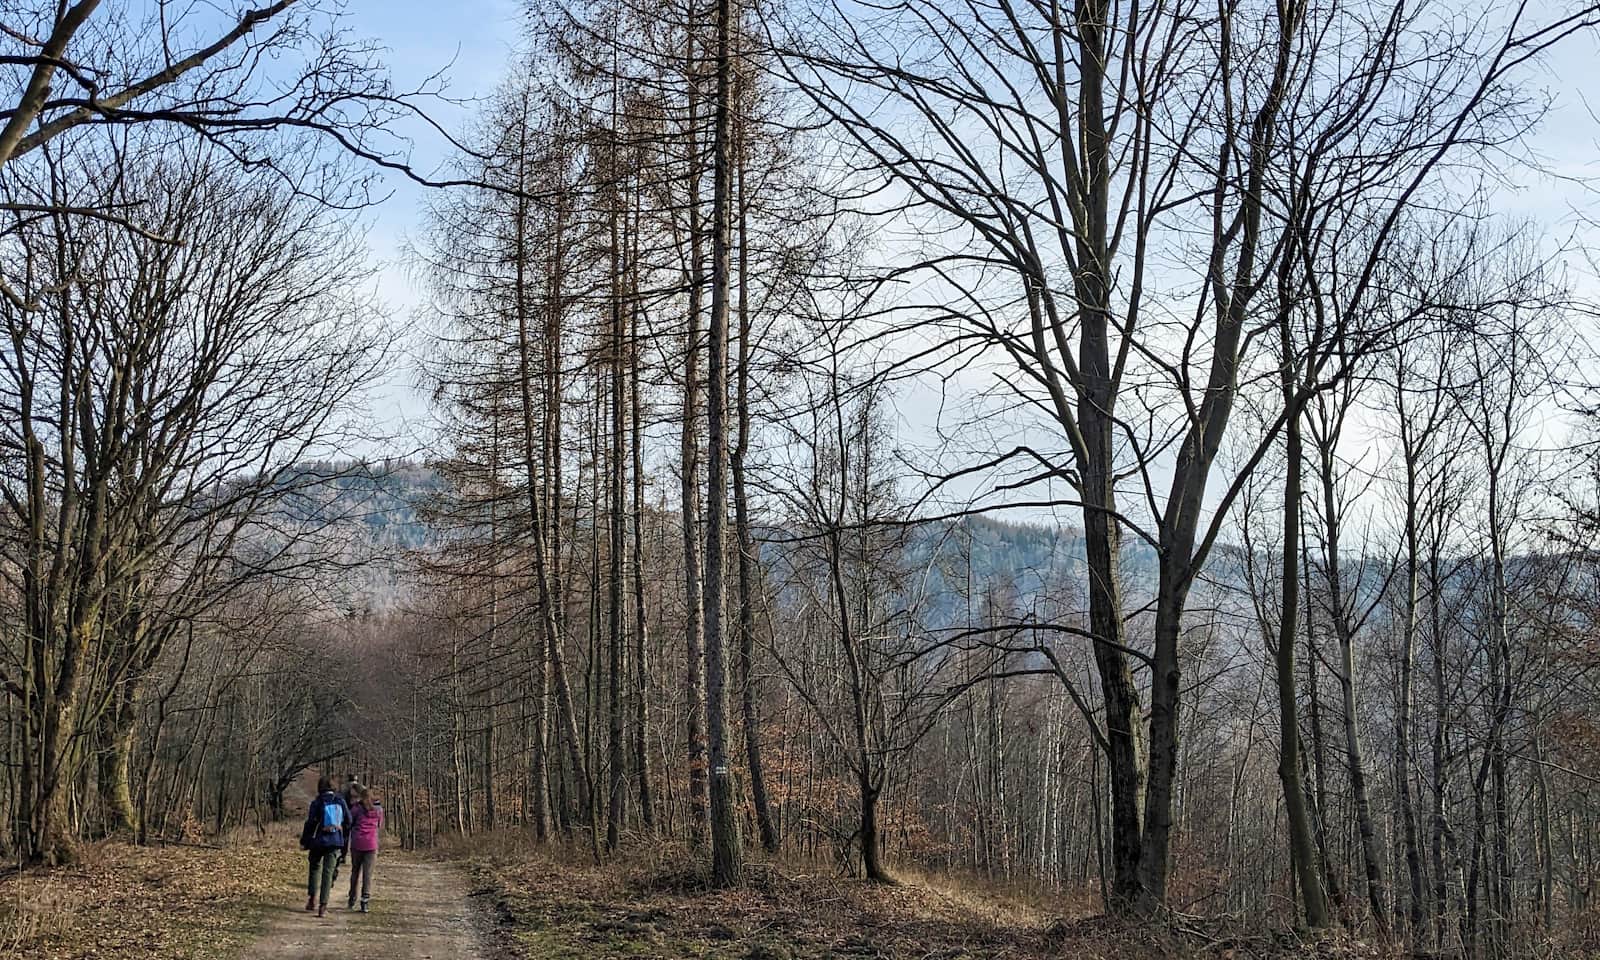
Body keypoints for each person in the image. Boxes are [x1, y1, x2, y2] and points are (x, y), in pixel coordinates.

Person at [300, 775, 350, 917]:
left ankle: (312, 898)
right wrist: (342, 835)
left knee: (315, 867)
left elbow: (310, 823)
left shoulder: (317, 802)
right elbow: (349, 820)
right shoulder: (340, 801)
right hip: (334, 841)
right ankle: (323, 905)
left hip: (318, 840)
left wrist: (305, 841)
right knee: (328, 872)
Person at [346, 784, 385, 913]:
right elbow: (379, 825)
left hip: (357, 843)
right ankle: (365, 901)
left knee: (355, 871)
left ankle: (352, 898)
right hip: (371, 845)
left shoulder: (356, 809)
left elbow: (349, 822)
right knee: (368, 874)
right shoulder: (378, 810)